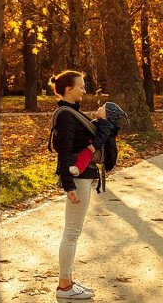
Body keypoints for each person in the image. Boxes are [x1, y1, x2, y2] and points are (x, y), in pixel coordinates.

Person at [49, 70, 97, 300]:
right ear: (69, 89)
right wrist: (69, 186)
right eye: (81, 86)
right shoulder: (67, 116)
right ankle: (64, 287)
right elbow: (64, 152)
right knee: (71, 233)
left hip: (82, 177)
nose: (84, 90)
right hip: (77, 179)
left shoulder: (72, 113)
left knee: (73, 232)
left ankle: (67, 281)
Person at [70, 102, 128, 176]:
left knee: (87, 153)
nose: (100, 107)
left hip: (98, 148)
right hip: (95, 145)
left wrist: (94, 146)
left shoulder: (105, 124)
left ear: (107, 115)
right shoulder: (102, 122)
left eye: (103, 108)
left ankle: (78, 168)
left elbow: (102, 136)